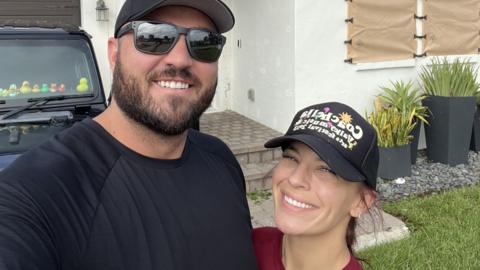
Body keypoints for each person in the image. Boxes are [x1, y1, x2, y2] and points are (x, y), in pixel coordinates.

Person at [0, 0, 259, 269]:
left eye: (204, 41)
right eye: (154, 36)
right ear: (114, 54)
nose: (181, 60)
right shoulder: (34, 194)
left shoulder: (221, 159)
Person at [253, 102, 379, 270]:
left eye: (326, 169)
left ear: (361, 202)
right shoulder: (247, 247)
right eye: (291, 157)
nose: (295, 179)